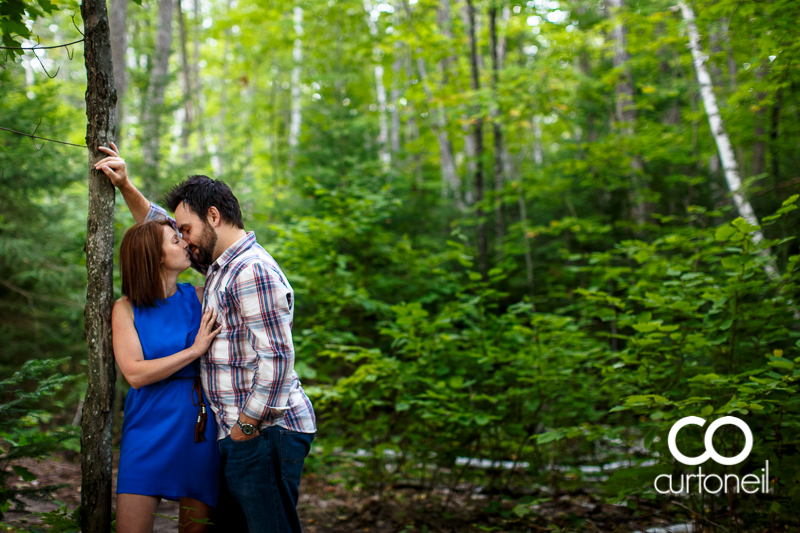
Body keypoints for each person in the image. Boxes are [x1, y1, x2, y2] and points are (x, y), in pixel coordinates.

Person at [96, 142, 317, 533]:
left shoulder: (251, 270)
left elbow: (278, 361)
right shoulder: (218, 266)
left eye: (187, 230)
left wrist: (245, 427)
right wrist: (126, 185)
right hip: (235, 433)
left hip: (261, 431)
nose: (184, 240)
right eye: (179, 234)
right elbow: (157, 234)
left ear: (212, 216)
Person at [113, 218, 223, 533]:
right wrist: (193, 351)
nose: (185, 243)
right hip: (146, 424)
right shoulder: (125, 308)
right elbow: (134, 373)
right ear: (156, 256)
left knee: (196, 529)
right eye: (175, 241)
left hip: (197, 425)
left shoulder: (201, 296)